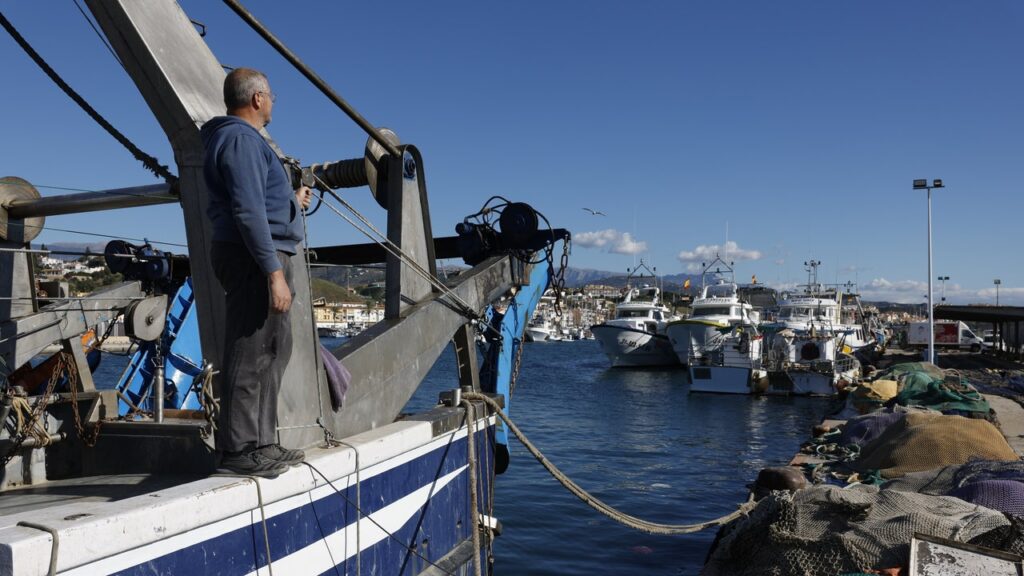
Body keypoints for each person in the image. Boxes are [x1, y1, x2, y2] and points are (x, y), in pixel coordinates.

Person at [201, 68, 312, 477]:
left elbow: (257, 200)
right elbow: (247, 211)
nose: (273, 102)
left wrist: (290, 200)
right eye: (271, 96)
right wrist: (273, 272)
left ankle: (262, 442)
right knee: (250, 351)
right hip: (253, 257)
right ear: (257, 98)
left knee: (273, 351)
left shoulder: (241, 141)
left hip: (261, 253)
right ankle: (238, 449)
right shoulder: (241, 139)